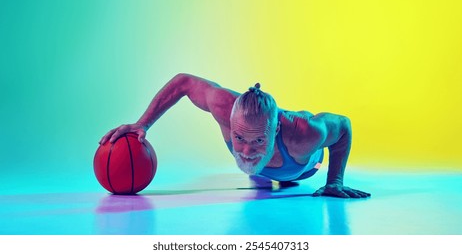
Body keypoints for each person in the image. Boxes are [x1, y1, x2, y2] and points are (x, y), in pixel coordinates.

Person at [99, 73, 370, 198]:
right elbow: (183, 82)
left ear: (274, 130)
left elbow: (343, 127)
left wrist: (334, 181)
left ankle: (280, 175)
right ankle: (264, 172)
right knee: (255, 165)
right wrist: (143, 124)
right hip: (267, 165)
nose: (247, 149)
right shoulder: (222, 105)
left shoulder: (305, 134)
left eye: (259, 141)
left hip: (304, 168)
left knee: (289, 176)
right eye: (239, 138)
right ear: (230, 120)